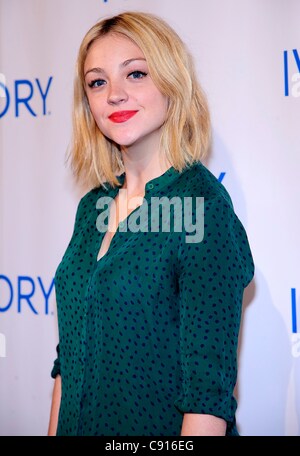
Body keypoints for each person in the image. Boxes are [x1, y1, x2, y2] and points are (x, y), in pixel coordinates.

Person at [48, 11, 254, 436]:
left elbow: (207, 401)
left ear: (171, 82)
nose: (115, 95)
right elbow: (68, 362)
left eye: (136, 74)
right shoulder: (94, 207)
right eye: (97, 82)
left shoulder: (201, 207)